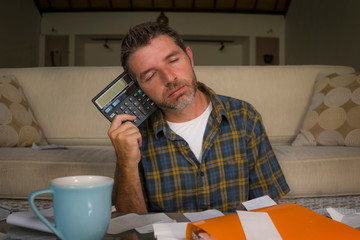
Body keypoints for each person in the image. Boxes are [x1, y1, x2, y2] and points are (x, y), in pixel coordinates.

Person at [108, 22, 290, 213]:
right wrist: (126, 162)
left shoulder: (244, 116)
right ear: (138, 89)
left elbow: (268, 208)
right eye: (151, 75)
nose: (169, 78)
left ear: (190, 57)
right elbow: (131, 226)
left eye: (173, 61)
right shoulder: (133, 137)